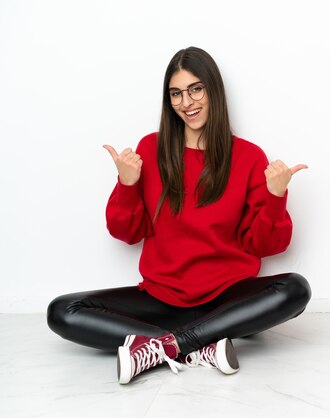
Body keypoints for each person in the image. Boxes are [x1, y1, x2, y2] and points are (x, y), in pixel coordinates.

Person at [47, 46, 312, 385]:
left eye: (195, 89)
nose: (186, 102)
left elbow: (267, 245)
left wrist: (275, 196)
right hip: (161, 299)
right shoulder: (150, 149)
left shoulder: (248, 156)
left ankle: (163, 346)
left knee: (295, 289)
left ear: (213, 90)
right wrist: (127, 184)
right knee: (62, 311)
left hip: (226, 299)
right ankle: (201, 346)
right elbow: (126, 233)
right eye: (176, 93)